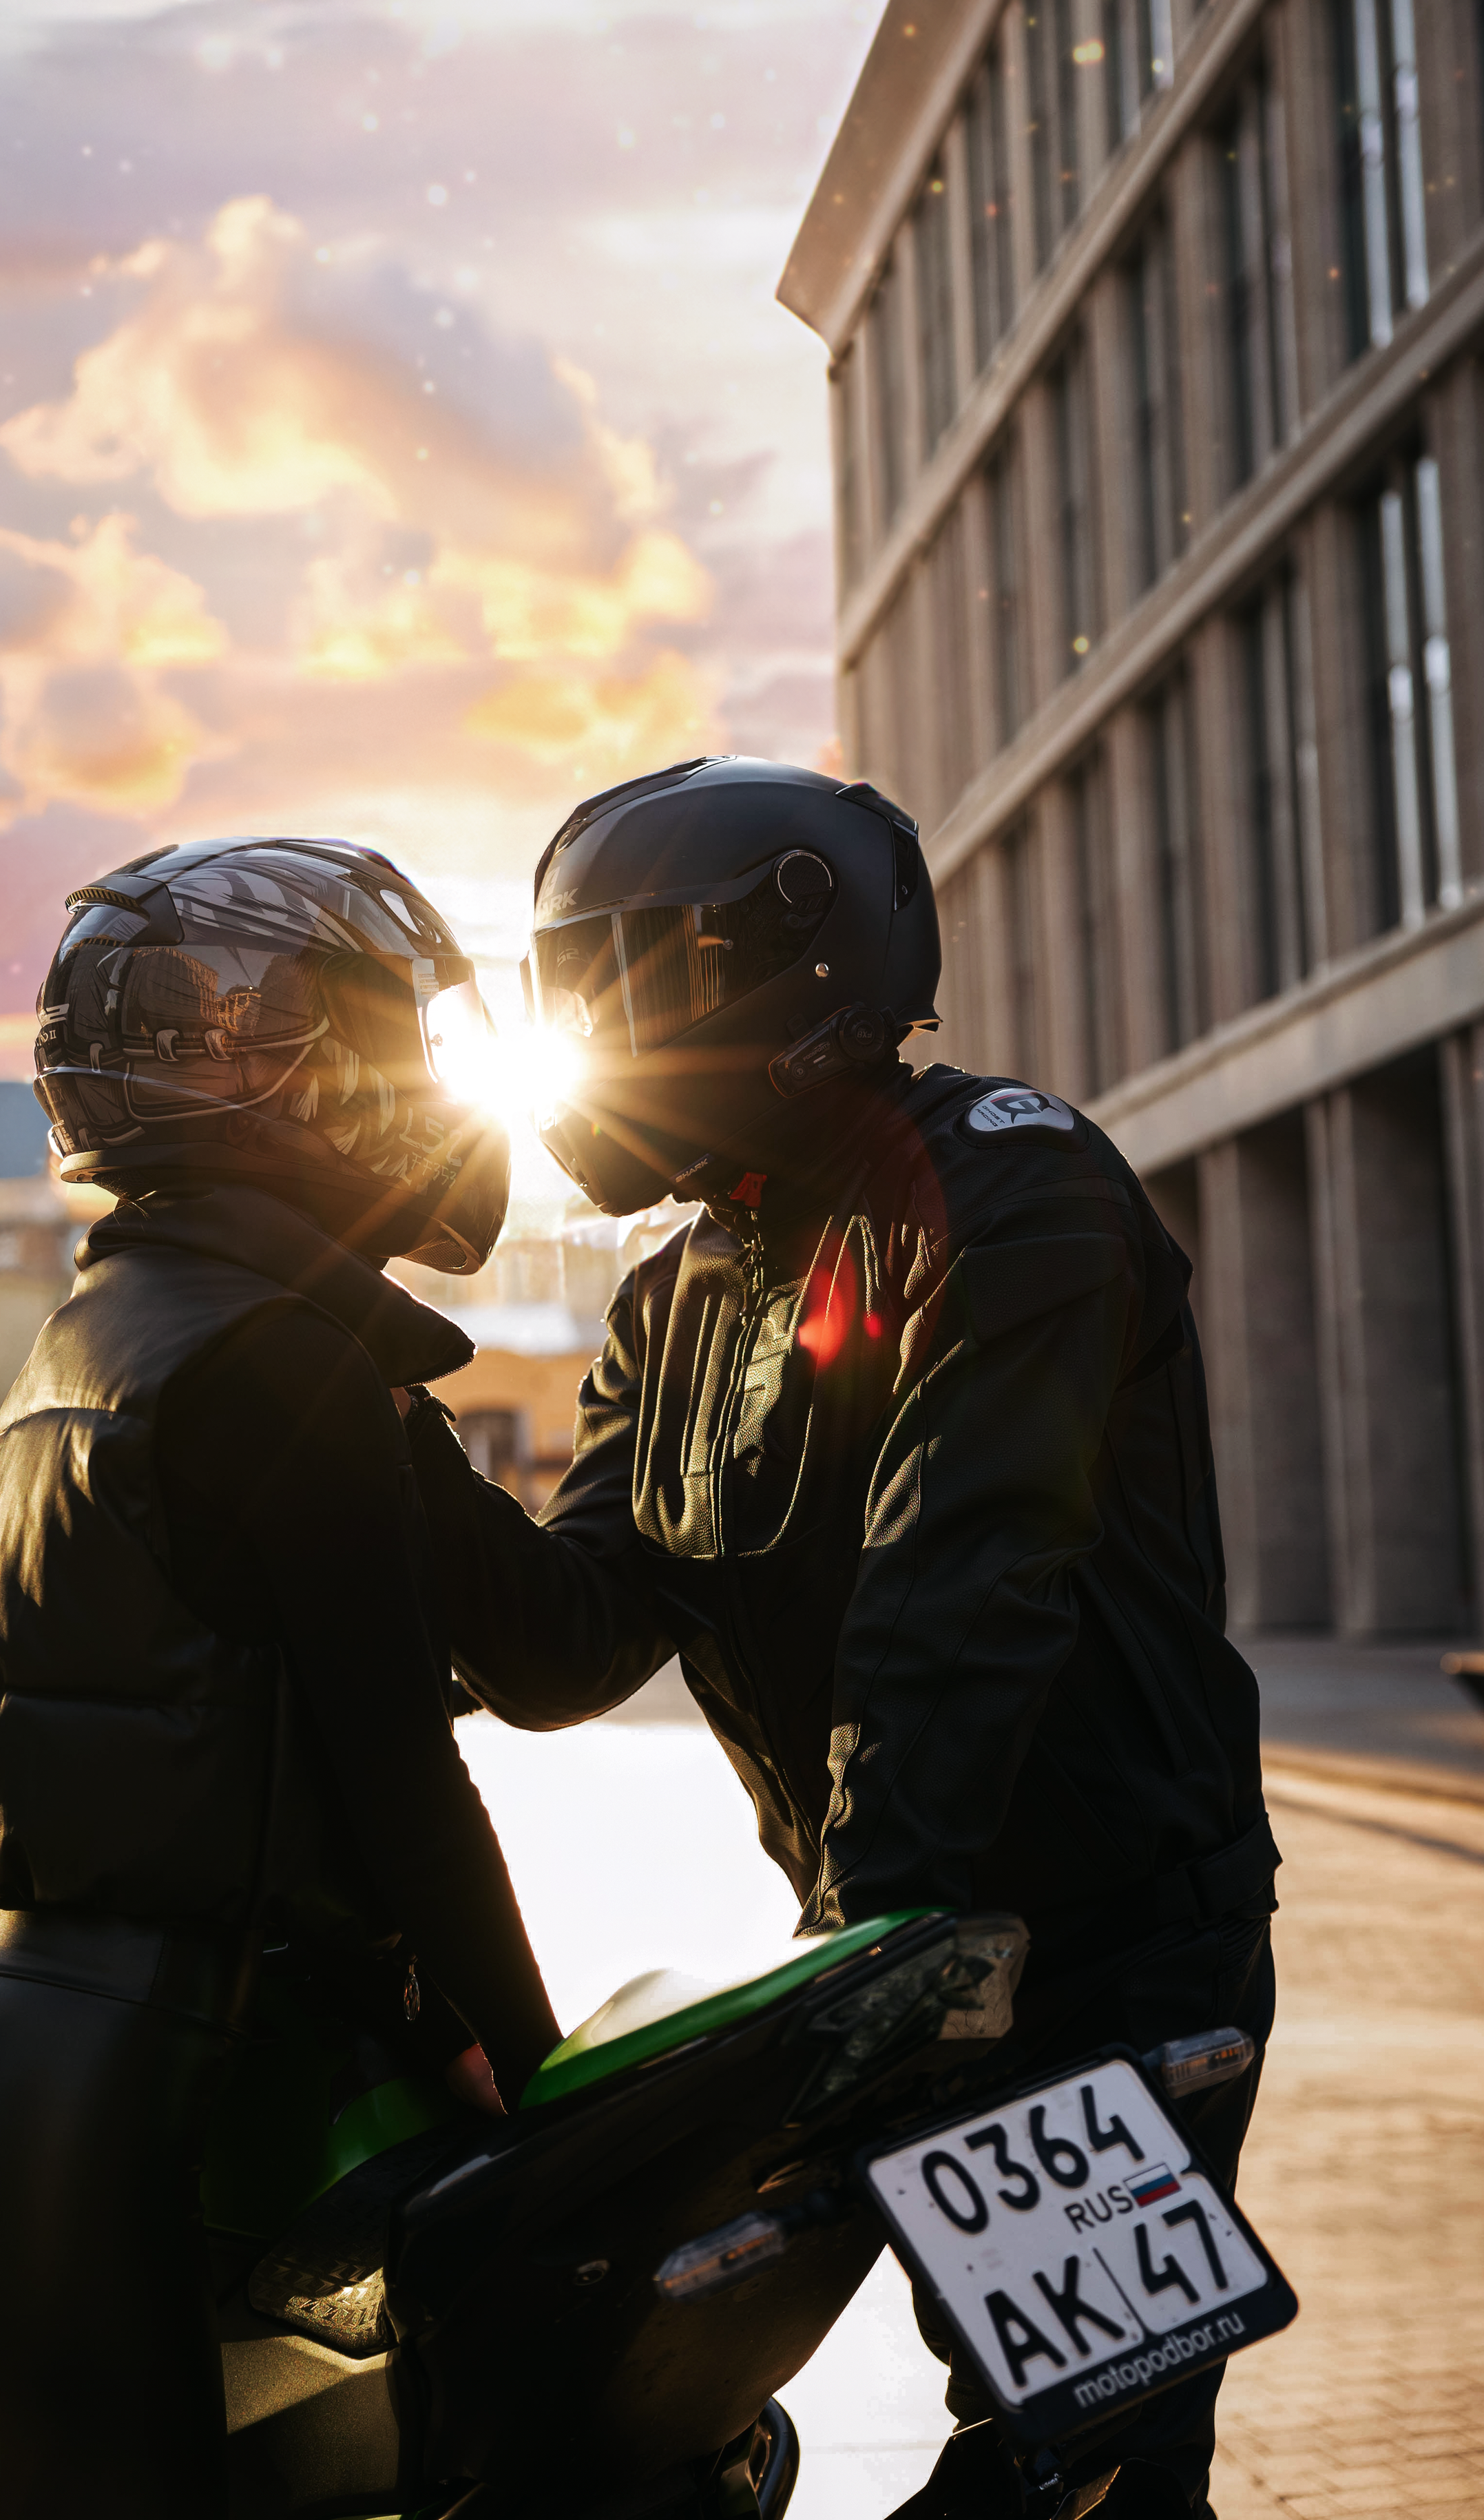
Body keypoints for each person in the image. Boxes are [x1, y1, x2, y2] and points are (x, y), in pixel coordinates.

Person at [399, 758, 1278, 2520]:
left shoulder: (1012, 1186)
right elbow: (567, 1645)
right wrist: (369, 1436)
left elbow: (960, 1584)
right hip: (890, 1961)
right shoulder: (673, 1296)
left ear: (783, 971)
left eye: (621, 985)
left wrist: (873, 1949)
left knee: (1089, 2469)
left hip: (1088, 1952)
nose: (589, 1040)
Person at [0, 839, 559, 2520]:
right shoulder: (275, 1356)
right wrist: (543, 2085)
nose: (419, 1085)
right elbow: (403, 1789)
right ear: (277, 1065)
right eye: (388, 1035)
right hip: (82, 2104)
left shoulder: (109, 1325)